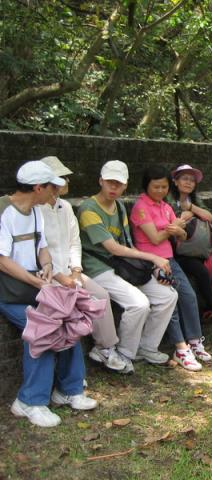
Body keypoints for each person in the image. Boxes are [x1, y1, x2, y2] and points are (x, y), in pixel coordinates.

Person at [0, 160, 97, 427]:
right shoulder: (4, 211)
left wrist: (46, 267)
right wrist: (37, 282)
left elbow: (42, 248)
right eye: (51, 189)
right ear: (38, 187)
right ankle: (29, 401)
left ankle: (69, 389)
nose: (55, 194)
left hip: (33, 286)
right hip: (10, 291)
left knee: (70, 320)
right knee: (44, 330)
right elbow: (3, 260)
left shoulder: (36, 211)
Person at [78, 160, 178, 374]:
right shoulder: (88, 208)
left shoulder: (120, 206)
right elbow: (113, 248)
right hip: (97, 267)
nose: (113, 187)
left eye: (118, 184)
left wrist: (146, 267)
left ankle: (147, 347)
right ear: (100, 181)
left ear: (125, 186)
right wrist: (153, 258)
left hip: (122, 265)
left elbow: (127, 244)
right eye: (109, 182)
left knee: (167, 295)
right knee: (139, 303)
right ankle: (123, 352)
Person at [40, 156, 126, 372]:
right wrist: (60, 276)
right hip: (47, 274)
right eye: (62, 178)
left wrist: (76, 270)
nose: (67, 181)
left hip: (70, 270)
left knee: (101, 295)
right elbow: (38, 249)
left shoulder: (66, 207)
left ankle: (105, 347)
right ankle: (68, 374)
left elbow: (74, 242)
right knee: (66, 310)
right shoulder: (37, 209)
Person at [130, 166, 212, 372]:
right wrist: (174, 226)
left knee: (189, 295)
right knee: (171, 298)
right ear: (147, 186)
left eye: (164, 187)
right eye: (156, 186)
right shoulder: (141, 207)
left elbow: (182, 237)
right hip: (151, 261)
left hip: (169, 259)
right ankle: (180, 347)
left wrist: (177, 229)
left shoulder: (165, 207)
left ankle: (194, 340)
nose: (160, 190)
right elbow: (155, 238)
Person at [167, 164, 212, 325]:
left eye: (192, 180)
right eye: (184, 179)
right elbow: (169, 223)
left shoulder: (194, 199)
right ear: (175, 181)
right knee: (200, 271)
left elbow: (209, 216)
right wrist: (185, 216)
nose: (188, 183)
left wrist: (191, 208)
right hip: (178, 250)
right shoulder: (168, 199)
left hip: (196, 247)